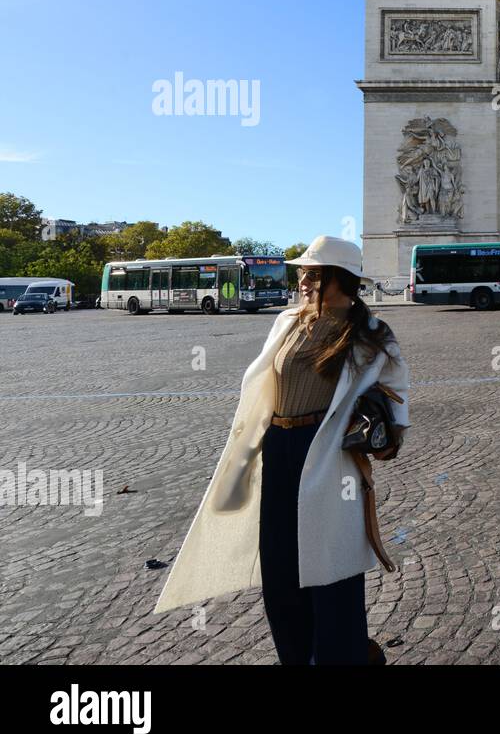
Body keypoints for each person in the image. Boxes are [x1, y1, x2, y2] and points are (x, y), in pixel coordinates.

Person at [152, 235, 411, 666]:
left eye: (312, 273)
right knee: (279, 563)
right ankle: (294, 655)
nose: (303, 281)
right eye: (303, 273)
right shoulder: (289, 320)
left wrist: (388, 434)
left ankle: (341, 657)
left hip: (328, 454)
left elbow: (398, 392)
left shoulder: (371, 333)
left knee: (331, 567)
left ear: (339, 279)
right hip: (277, 446)